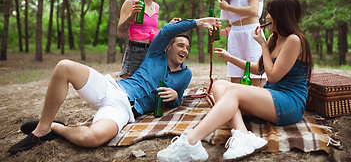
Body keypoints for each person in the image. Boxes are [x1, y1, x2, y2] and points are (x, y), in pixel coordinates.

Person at [8, 18, 220, 154]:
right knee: (63, 67)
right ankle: (42, 127)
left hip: (124, 110)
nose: (185, 49)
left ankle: (56, 128)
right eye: (180, 45)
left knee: (93, 138)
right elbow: (165, 30)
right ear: (169, 47)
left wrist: (174, 96)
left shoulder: (186, 74)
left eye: (188, 47)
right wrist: (198, 23)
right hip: (112, 88)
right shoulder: (156, 53)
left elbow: (179, 99)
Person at [157, 0, 313, 161]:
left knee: (232, 92)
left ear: (282, 16)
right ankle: (242, 135)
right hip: (272, 96)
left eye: (271, 13)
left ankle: (191, 141)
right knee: (219, 85)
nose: (267, 16)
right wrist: (230, 57)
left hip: (289, 102)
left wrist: (262, 45)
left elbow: (273, 76)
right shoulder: (275, 38)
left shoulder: (294, 40)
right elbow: (259, 69)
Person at [217, 0, 265, 86]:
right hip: (235, 36)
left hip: (252, 33)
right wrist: (220, 32)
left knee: (257, 75)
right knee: (236, 79)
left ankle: (258, 104)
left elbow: (253, 10)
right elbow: (230, 26)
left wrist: (228, 7)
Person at [117, 0, 168, 79]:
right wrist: (131, 15)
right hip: (135, 52)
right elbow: (120, 33)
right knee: (129, 89)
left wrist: (168, 26)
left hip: (151, 52)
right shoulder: (131, 2)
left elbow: (152, 33)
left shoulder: (156, 7)